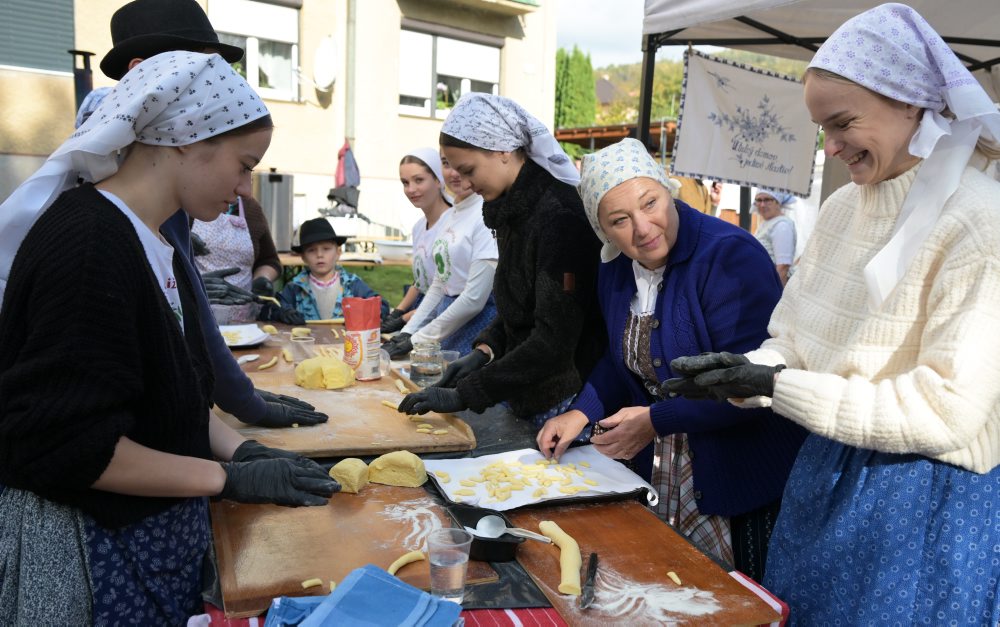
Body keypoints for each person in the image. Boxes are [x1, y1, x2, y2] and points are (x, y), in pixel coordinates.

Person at [667, 4, 1000, 623]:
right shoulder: (847, 206)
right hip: (826, 466)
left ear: (911, 104)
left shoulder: (980, 221)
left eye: (843, 122)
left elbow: (945, 411)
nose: (832, 144)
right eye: (822, 126)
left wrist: (775, 386)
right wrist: (746, 371)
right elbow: (793, 337)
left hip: (921, 499)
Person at [0, 51, 340, 626]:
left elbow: (173, 387)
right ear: (186, 138)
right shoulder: (91, 246)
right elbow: (71, 446)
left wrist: (241, 449)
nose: (242, 187)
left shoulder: (152, 239)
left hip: (142, 539)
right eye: (242, 164)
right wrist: (226, 477)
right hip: (91, 550)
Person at [536, 138, 805, 581]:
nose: (643, 228)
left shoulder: (728, 257)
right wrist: (581, 412)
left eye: (651, 203)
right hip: (666, 468)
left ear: (668, 189)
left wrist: (655, 420)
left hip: (740, 474)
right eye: (619, 220)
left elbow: (752, 384)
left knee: (729, 598)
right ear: (602, 230)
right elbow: (622, 356)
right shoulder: (616, 267)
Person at [90, 0, 325, 428]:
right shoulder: (97, 218)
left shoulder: (170, 181)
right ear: (142, 73)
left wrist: (235, 409)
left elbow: (187, 324)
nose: (218, 85)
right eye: (202, 70)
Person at [398, 93, 605, 429]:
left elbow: (554, 340)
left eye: (468, 170)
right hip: (527, 389)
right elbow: (517, 303)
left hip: (567, 400)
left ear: (503, 151)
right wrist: (484, 352)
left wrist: (468, 393)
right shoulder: (512, 209)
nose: (462, 183)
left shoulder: (559, 218)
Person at [384, 151, 498, 357]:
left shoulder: (485, 215)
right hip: (447, 321)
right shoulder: (451, 216)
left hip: (478, 323)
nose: (454, 172)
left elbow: (474, 299)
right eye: (447, 163)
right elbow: (439, 283)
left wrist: (417, 338)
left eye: (461, 164)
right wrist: (408, 332)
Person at [380, 148, 454, 339]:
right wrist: (398, 311)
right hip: (421, 310)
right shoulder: (418, 227)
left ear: (438, 180)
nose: (411, 189)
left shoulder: (453, 224)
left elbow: (451, 286)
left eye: (418, 180)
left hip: (446, 315)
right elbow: (421, 281)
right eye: (405, 183)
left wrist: (406, 318)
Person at [191, 195, 283, 323]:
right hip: (196, 312)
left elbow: (268, 260)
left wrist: (263, 278)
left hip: (245, 318)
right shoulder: (189, 204)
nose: (244, 188)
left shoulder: (250, 208)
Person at [278, 218, 390, 320]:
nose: (319, 255)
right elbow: (277, 308)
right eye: (311, 250)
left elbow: (381, 306)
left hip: (345, 342)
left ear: (338, 253)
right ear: (303, 257)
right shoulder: (294, 288)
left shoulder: (352, 284)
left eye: (326, 249)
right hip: (306, 342)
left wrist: (362, 312)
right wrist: (284, 312)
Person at [751, 189, 797, 285]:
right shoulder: (766, 223)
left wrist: (774, 296)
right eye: (759, 200)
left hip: (771, 287)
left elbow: (783, 267)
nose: (762, 204)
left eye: (767, 200)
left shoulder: (782, 226)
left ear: (778, 202)